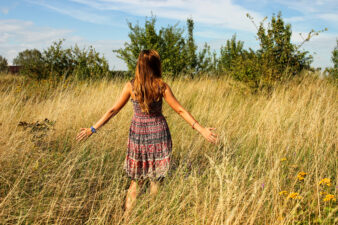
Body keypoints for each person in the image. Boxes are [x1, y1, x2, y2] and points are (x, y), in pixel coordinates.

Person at [76, 49, 218, 217]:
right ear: (155, 65)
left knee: (136, 182)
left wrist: (92, 129)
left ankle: (128, 219)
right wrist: (201, 129)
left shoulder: (131, 86)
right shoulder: (161, 86)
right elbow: (180, 110)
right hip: (159, 134)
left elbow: (112, 110)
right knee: (156, 180)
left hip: (138, 136)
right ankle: (151, 217)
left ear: (139, 65)